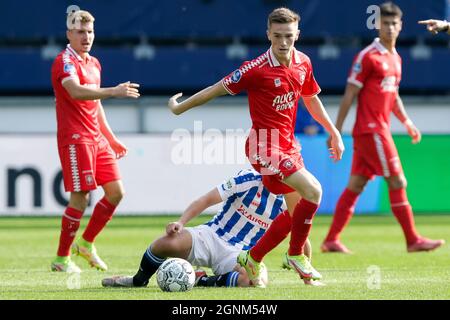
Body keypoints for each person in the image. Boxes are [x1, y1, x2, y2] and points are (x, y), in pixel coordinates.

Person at [167, 7, 344, 286]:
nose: (283, 42)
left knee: (299, 212)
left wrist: (332, 130)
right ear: (268, 35)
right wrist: (180, 108)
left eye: (288, 36)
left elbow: (310, 98)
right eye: (277, 36)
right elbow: (215, 89)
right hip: (263, 147)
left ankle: (259, 258)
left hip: (288, 146)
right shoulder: (255, 69)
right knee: (314, 190)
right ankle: (295, 254)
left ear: (297, 34)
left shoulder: (303, 63)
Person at [321, 2, 445, 254]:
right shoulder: (369, 56)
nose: (389, 27)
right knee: (397, 180)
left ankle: (331, 240)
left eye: (393, 23)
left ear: (400, 26)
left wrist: (407, 122)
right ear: (378, 25)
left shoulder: (395, 58)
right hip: (371, 130)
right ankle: (412, 240)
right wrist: (336, 130)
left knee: (356, 184)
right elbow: (349, 94)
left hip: (379, 129)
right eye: (385, 23)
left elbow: (393, 95)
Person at [102, 169, 319, 288]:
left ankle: (200, 280)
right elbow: (206, 200)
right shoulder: (248, 179)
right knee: (165, 243)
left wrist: (306, 274)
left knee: (254, 281)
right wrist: (181, 222)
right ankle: (137, 280)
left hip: (243, 255)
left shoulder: (289, 200)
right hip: (212, 235)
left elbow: (301, 237)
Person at [50, 10, 140, 273]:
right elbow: (76, 92)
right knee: (80, 198)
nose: (86, 36)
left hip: (96, 138)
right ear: (69, 34)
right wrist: (114, 90)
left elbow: (94, 102)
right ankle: (61, 259)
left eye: (89, 31)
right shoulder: (64, 62)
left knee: (116, 192)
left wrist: (110, 138)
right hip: (76, 138)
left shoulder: (94, 63)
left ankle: (86, 243)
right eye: (80, 32)